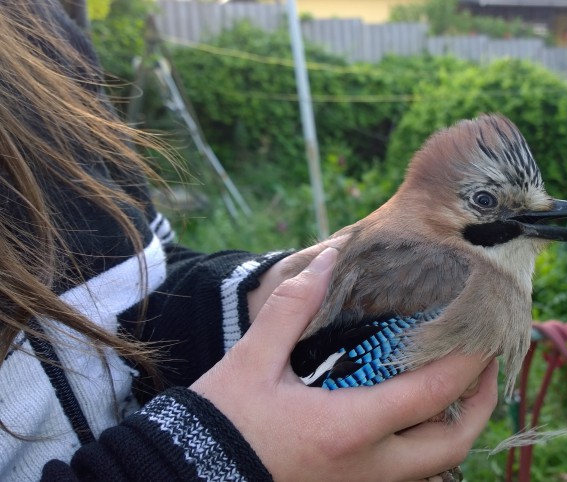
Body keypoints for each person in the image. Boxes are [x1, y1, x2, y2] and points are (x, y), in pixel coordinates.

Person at [0, 1, 499, 480]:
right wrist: (218, 459)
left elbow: (136, 278)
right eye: (487, 204)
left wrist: (259, 297)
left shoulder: (40, 33)